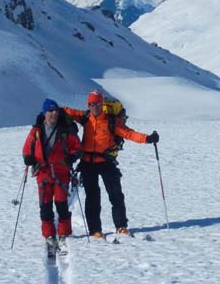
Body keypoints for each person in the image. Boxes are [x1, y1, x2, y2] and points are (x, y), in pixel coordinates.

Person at [62, 90, 159, 237]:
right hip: (88, 163)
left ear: (102, 104)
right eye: (91, 104)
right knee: (92, 197)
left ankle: (121, 226)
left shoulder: (111, 121)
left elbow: (129, 133)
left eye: (97, 103)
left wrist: (147, 138)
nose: (94, 106)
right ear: (88, 105)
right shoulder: (85, 117)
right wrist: (50, 109)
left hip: (106, 162)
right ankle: (95, 230)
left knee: (116, 195)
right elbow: (67, 111)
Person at [22, 99, 82, 251]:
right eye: (50, 111)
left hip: (61, 172)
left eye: (55, 110)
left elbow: (76, 146)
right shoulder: (36, 130)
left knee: (61, 205)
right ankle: (49, 235)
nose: (54, 113)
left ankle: (63, 233)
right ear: (44, 113)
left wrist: (73, 156)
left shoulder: (64, 129)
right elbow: (27, 147)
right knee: (45, 206)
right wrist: (27, 157)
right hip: (43, 173)